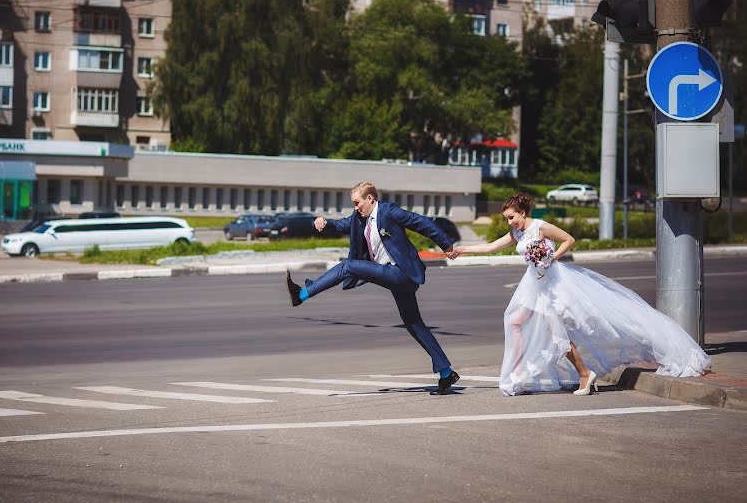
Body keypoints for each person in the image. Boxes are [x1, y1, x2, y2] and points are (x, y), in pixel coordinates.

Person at [447, 193, 711, 396]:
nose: (510, 222)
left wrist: (551, 257)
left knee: (556, 334)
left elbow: (569, 239)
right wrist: (462, 250)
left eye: (512, 216)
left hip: (551, 282)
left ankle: (585, 373)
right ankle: (517, 373)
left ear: (523, 212)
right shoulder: (517, 233)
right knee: (514, 321)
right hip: (533, 282)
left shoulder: (540, 227)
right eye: (507, 218)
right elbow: (492, 246)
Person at [285, 182, 461, 395]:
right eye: (353, 204)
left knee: (347, 266)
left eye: (358, 202)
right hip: (391, 274)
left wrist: (447, 245)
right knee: (414, 323)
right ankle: (445, 372)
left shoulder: (389, 211)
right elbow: (340, 225)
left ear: (370, 199)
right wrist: (324, 222)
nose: (356, 207)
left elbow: (421, 222)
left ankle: (303, 293)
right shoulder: (359, 218)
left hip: (403, 272)